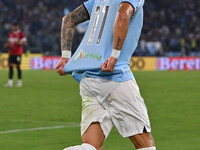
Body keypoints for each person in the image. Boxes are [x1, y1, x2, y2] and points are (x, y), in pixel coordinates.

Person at [56, 0, 156, 150]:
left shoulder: (97, 1)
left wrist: (65, 56)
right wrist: (114, 55)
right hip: (116, 79)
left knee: (90, 147)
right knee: (145, 145)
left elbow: (69, 19)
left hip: (89, 81)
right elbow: (123, 14)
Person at [4, 22, 27, 87]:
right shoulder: (10, 34)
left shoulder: (21, 34)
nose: (14, 28)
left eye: (15, 26)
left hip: (18, 53)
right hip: (11, 52)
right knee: (10, 66)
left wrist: (19, 43)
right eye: (13, 26)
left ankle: (19, 82)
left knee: (18, 66)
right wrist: (7, 44)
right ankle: (10, 82)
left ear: (17, 27)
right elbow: (9, 42)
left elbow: (25, 43)